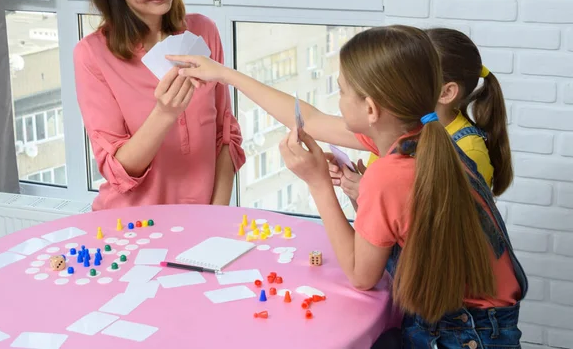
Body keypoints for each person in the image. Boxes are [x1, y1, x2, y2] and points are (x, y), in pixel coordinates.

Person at [169, 25, 526, 347]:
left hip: (465, 330)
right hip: (478, 318)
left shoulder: (392, 172)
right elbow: (311, 120)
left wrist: (319, 184)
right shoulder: (424, 137)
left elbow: (360, 276)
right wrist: (224, 75)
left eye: (341, 91)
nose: (337, 101)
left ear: (371, 108)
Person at [73, 0, 244, 211]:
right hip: (131, 225)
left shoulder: (203, 32)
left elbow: (225, 134)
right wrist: (165, 114)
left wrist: (216, 214)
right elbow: (118, 170)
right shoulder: (92, 54)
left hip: (206, 218)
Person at [332, 27, 513, 208]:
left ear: (446, 92)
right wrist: (359, 192)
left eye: (409, 77)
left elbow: (431, 232)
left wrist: (370, 194)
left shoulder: (469, 152)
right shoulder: (396, 130)